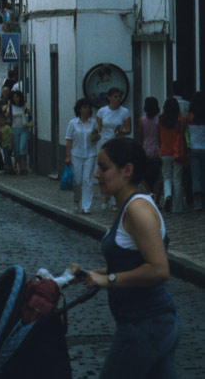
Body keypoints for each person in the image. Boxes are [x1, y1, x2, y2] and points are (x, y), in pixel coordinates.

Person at [70, 137, 180, 379]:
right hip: (147, 324)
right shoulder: (126, 207)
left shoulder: (137, 210)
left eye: (104, 168)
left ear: (127, 170)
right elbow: (127, 265)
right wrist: (90, 274)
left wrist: (107, 279)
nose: (97, 175)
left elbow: (159, 269)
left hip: (145, 324)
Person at [96, 87, 132, 209]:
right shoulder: (102, 111)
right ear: (109, 97)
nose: (118, 99)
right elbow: (98, 129)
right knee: (106, 171)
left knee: (116, 171)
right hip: (104, 144)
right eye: (115, 96)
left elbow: (128, 129)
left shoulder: (124, 112)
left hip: (117, 144)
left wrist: (121, 131)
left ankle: (115, 199)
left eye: (119, 97)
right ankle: (106, 198)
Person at [65, 98, 99, 214]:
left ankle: (86, 206)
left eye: (88, 107)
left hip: (90, 153)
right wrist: (68, 156)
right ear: (79, 109)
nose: (87, 109)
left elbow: (95, 137)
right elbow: (69, 140)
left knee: (87, 180)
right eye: (85, 107)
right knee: (78, 180)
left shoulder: (93, 122)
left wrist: (96, 137)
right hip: (76, 154)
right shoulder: (73, 123)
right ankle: (76, 199)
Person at [158, 97, 185, 214]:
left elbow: (158, 136)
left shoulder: (160, 119)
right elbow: (183, 135)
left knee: (167, 177)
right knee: (177, 179)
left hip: (164, 151)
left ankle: (168, 195)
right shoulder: (180, 119)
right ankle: (177, 207)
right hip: (177, 151)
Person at [138, 96, 162, 204]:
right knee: (158, 174)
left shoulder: (142, 120)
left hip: (146, 149)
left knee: (146, 175)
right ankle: (157, 198)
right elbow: (160, 135)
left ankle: (149, 192)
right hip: (157, 149)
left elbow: (141, 137)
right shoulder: (158, 119)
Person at [187, 91, 205, 211]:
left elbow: (184, 131)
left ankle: (198, 202)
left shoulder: (189, 116)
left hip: (193, 148)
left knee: (195, 176)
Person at [9, 89, 31, 175]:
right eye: (14, 97)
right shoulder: (11, 107)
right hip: (14, 128)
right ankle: (19, 167)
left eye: (17, 97)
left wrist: (29, 114)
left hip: (24, 128)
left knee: (23, 147)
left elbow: (29, 116)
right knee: (17, 150)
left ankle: (24, 165)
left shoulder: (24, 106)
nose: (15, 99)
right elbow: (6, 115)